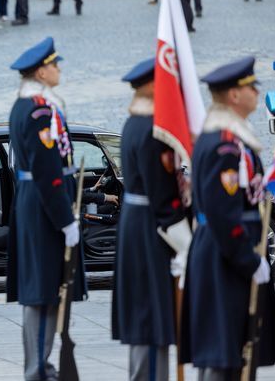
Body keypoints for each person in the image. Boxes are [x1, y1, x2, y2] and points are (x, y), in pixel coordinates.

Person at [180, 57, 275, 380]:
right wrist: (248, 260)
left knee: (238, 349)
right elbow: (222, 212)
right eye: (251, 87)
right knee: (224, 355)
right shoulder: (225, 145)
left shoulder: (228, 137)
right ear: (234, 96)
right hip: (226, 257)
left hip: (226, 254)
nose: (256, 92)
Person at [6, 37, 87, 381]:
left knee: (50, 289)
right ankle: (38, 368)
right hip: (43, 208)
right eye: (55, 65)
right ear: (42, 71)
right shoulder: (40, 110)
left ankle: (42, 364)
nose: (59, 69)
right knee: (42, 293)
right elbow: (47, 171)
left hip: (35, 204)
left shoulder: (29, 105)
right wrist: (64, 219)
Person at [111, 59, 191, 381]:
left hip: (137, 221)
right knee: (152, 316)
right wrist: (185, 241)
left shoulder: (134, 123)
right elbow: (162, 193)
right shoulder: (153, 129)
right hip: (151, 225)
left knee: (146, 313)